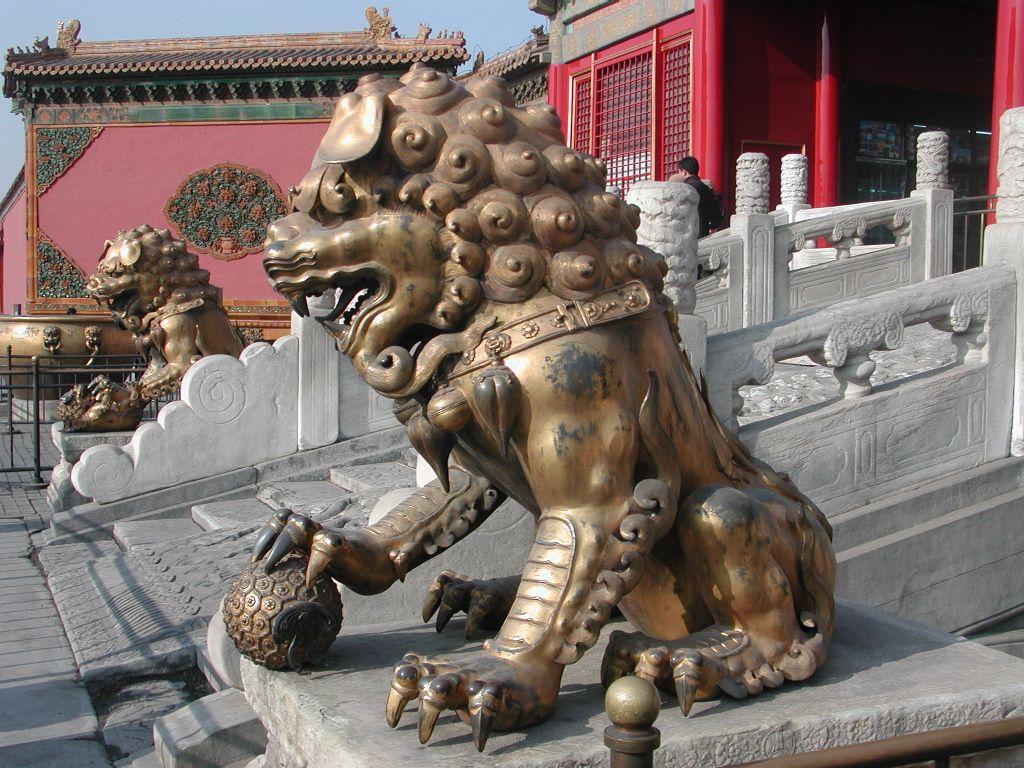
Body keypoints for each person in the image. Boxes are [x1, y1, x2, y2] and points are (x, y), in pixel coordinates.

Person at [668, 156, 725, 238]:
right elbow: (716, 216)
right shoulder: (705, 188)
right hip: (703, 233)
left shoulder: (685, 189)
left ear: (684, 172)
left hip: (688, 235)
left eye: (680, 172)